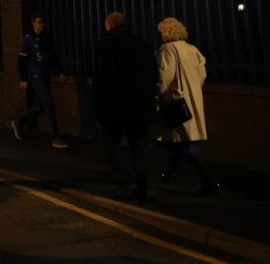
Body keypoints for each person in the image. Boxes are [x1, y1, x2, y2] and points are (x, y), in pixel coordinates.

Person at [92, 12, 157, 201]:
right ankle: (142, 187)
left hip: (116, 107)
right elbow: (153, 73)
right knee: (138, 147)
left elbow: (102, 80)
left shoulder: (105, 45)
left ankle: (123, 182)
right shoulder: (142, 43)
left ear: (108, 25)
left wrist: (98, 107)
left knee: (112, 145)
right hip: (141, 105)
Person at [156, 17, 219, 196]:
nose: (160, 35)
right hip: (193, 102)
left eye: (161, 31)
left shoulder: (167, 49)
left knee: (187, 144)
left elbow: (164, 77)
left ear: (167, 32)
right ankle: (168, 174)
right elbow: (202, 75)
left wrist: (157, 94)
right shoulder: (193, 49)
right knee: (183, 140)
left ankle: (210, 184)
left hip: (177, 102)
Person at [11, 15, 69, 149]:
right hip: (35, 75)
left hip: (45, 74)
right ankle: (56, 137)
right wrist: (23, 79)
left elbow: (53, 56)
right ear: (33, 24)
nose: (42, 24)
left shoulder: (47, 38)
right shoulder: (28, 40)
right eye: (39, 22)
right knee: (49, 104)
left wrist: (60, 71)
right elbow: (21, 62)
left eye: (43, 22)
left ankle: (19, 121)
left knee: (41, 105)